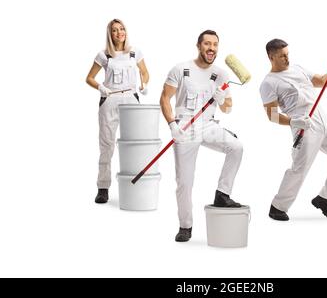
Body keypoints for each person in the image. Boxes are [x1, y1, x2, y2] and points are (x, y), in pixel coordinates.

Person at [160, 30, 243, 242]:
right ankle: (185, 226)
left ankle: (222, 194)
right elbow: (165, 98)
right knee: (185, 181)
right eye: (207, 44)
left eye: (215, 44)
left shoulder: (222, 75)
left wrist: (222, 98)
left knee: (236, 147)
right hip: (185, 127)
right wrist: (172, 125)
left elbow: (227, 109)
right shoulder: (181, 69)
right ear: (199, 46)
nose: (211, 48)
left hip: (208, 125)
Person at [260, 39, 327, 220]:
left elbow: (322, 82)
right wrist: (293, 122)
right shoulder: (268, 83)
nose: (287, 58)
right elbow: (271, 115)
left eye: (287, 54)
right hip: (302, 122)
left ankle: (325, 197)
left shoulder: (298, 68)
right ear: (271, 57)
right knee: (300, 168)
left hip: (320, 116)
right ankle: (277, 206)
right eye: (282, 56)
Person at [86, 18, 150, 204]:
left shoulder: (134, 52)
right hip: (110, 99)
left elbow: (145, 72)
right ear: (110, 34)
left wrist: (144, 83)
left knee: (136, 143)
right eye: (115, 30)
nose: (119, 32)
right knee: (107, 145)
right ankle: (103, 187)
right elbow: (89, 78)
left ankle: (136, 184)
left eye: (121, 29)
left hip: (131, 98)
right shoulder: (104, 55)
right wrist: (100, 87)